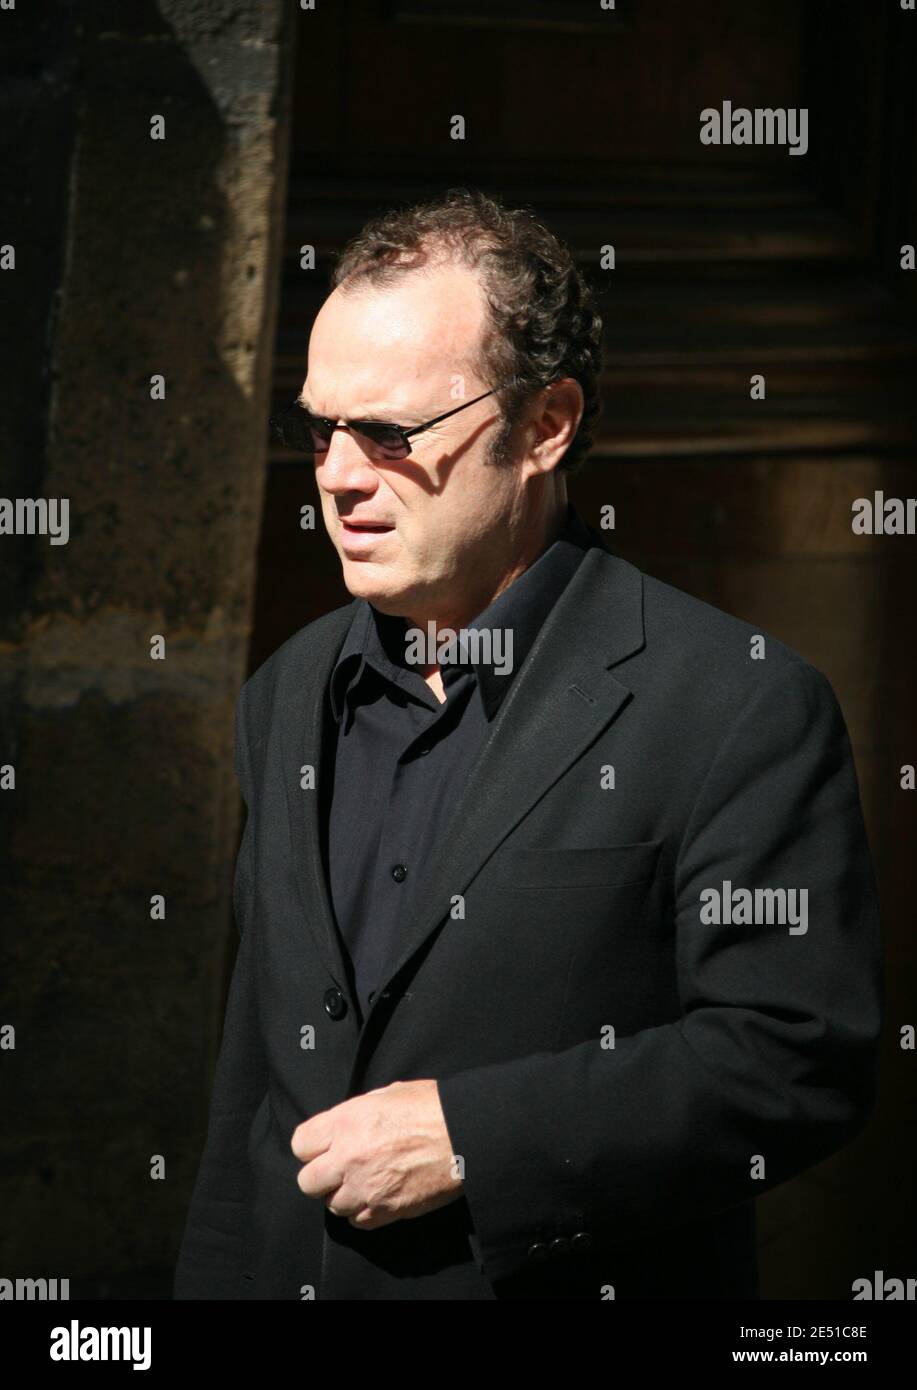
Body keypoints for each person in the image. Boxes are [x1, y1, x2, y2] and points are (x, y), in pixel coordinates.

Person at [174, 188, 883, 1300]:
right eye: (318, 428)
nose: (337, 474)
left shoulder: (733, 704)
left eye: (390, 433)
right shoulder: (288, 691)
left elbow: (794, 1054)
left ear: (544, 424)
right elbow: (252, 1100)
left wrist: (473, 1136)